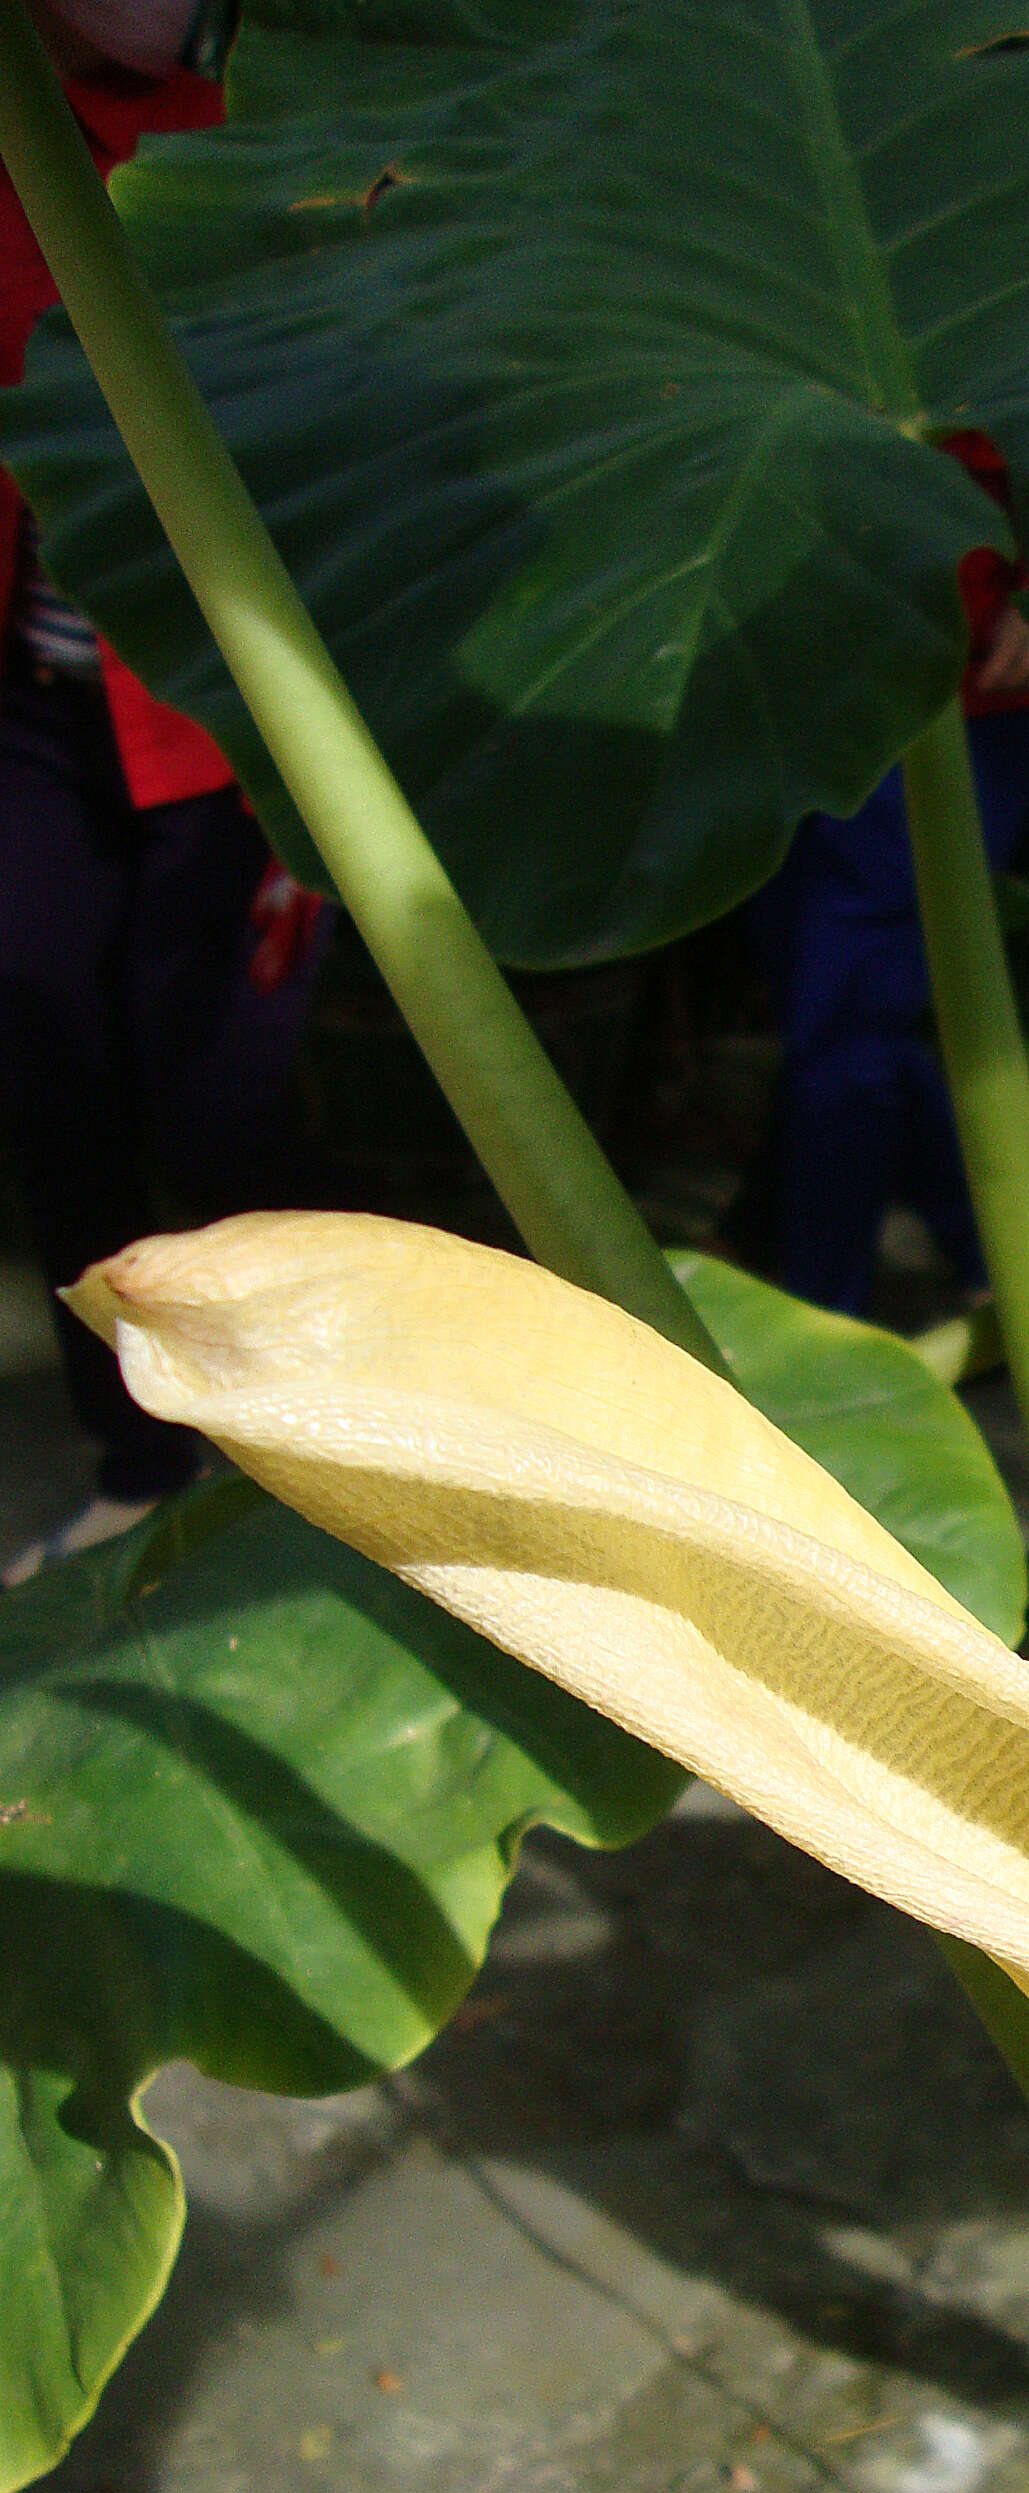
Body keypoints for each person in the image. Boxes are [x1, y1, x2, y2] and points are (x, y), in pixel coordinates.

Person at [0, 0, 327, 1579]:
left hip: (233, 723)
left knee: (221, 1111)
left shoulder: (262, 141)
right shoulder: (19, 132)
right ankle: (135, 1454)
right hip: (40, 702)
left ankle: (271, 1480)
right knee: (52, 1076)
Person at [727, 433, 1029, 1316]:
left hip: (945, 704)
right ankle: (1003, 1260)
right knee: (828, 1015)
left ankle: (816, 1319)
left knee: (847, 1033)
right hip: (775, 679)